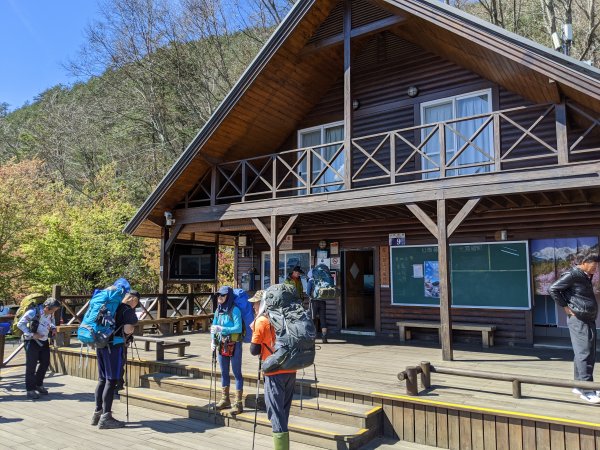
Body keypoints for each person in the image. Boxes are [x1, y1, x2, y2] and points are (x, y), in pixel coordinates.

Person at [549, 253, 600, 404]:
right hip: (578, 319)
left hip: (586, 318)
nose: (596, 269)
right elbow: (553, 289)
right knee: (585, 353)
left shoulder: (584, 275)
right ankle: (587, 390)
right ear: (585, 262)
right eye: (594, 266)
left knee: (584, 352)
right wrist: (565, 306)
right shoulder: (573, 274)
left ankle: (578, 385)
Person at [250, 285, 297, 450]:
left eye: (255, 303)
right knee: (283, 410)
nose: (253, 306)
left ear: (263, 303)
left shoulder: (262, 321)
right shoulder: (287, 318)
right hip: (291, 368)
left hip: (273, 371)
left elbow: (254, 350)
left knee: (275, 413)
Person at [92, 289, 140, 428]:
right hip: (114, 346)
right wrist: (131, 330)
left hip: (101, 344)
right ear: (133, 299)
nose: (135, 306)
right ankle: (106, 417)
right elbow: (127, 330)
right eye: (136, 303)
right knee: (111, 380)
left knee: (102, 380)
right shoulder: (126, 309)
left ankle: (97, 413)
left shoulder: (110, 305)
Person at [17, 297, 60, 399]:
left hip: (44, 340)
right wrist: (32, 334)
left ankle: (38, 384)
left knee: (45, 363)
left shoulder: (50, 313)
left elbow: (51, 321)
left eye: (55, 310)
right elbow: (20, 324)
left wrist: (53, 328)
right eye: (53, 310)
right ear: (46, 307)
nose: (53, 312)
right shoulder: (33, 312)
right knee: (31, 366)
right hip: (31, 341)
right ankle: (30, 390)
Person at [211, 285, 244, 414]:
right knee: (224, 372)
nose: (220, 297)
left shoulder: (235, 310)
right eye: (219, 295)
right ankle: (225, 399)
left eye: (223, 295)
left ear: (228, 296)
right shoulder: (218, 310)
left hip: (235, 343)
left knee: (237, 373)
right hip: (221, 344)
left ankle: (238, 403)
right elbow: (214, 326)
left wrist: (222, 329)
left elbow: (239, 328)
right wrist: (212, 340)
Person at [307, 270, 328, 344]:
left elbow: (308, 292)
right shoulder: (322, 279)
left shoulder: (311, 281)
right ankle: (324, 337)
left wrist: (311, 297)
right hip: (323, 302)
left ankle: (312, 338)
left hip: (314, 302)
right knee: (323, 319)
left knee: (312, 319)